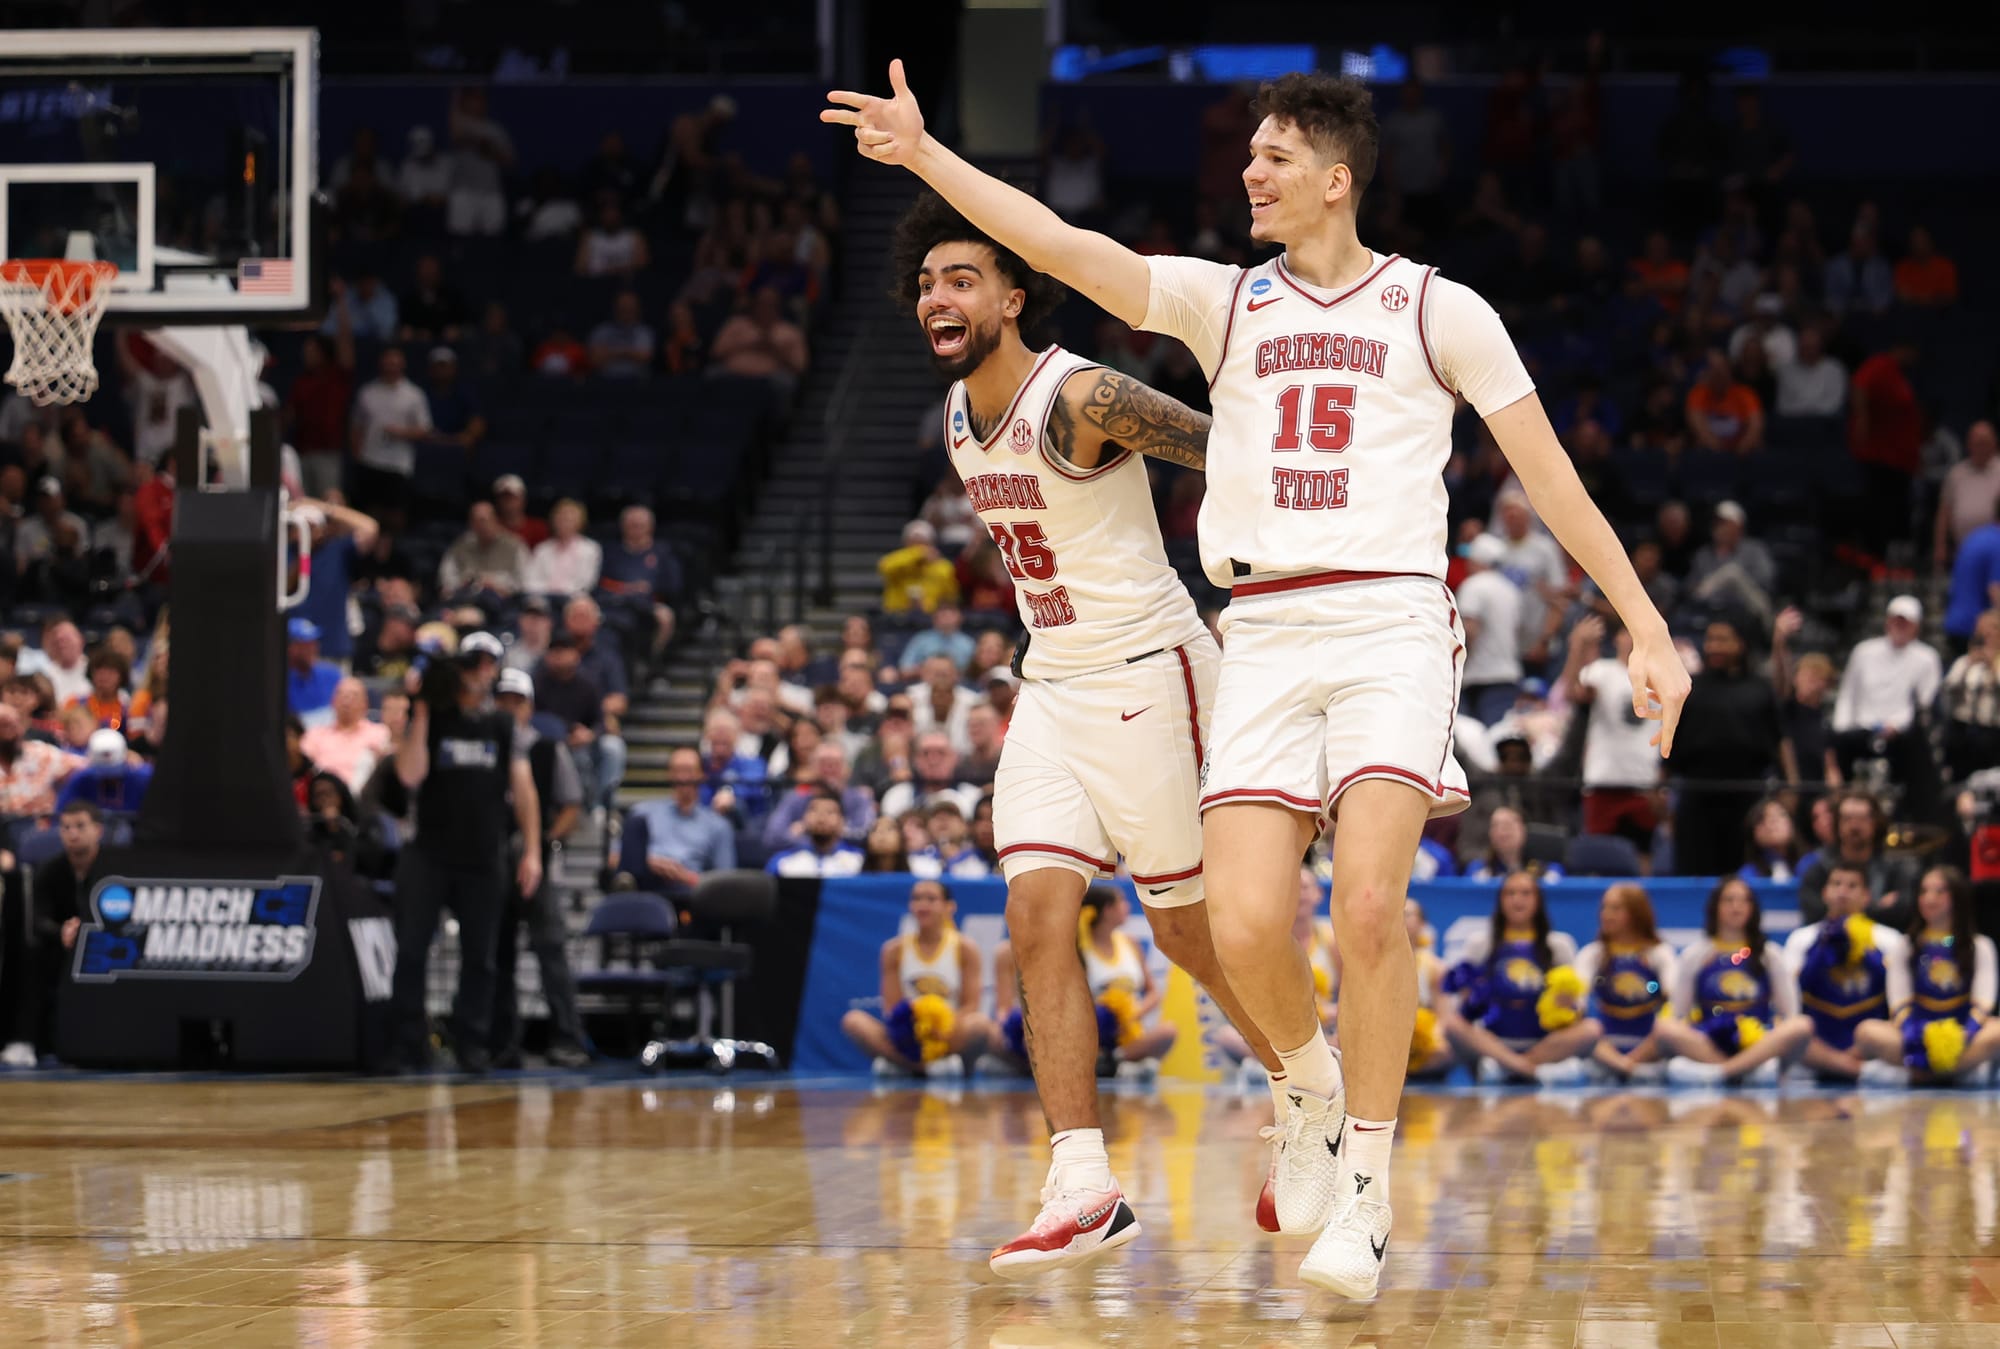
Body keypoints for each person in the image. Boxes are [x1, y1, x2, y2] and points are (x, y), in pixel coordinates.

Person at [831, 64, 1687, 1297]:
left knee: (1368, 903)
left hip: (1388, 617)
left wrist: (1642, 623)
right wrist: (922, 154)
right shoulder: (1224, 301)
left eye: (1273, 155)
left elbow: (1548, 475)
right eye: (1248, 154)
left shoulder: (1439, 308)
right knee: (1236, 924)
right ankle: (1309, 1092)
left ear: (1335, 178)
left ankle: (1367, 1191)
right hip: (1264, 626)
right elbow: (1063, 246)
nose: (1249, 171)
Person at [886, 191, 1284, 1276]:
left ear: (1013, 297)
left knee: (1187, 934)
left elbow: (1226, 448)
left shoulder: (1081, 395)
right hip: (1053, 681)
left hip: (1150, 672)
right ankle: (1083, 1181)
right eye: (926, 283)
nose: (937, 296)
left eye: (961, 278)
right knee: (1032, 914)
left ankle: (1311, 1091)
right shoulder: (955, 415)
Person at [389, 647, 542, 1074]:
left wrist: (532, 851)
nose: (480, 673)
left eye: (487, 665)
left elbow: (524, 789)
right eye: (472, 666)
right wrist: (421, 711)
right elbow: (409, 775)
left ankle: (471, 1042)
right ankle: (408, 1042)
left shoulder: (502, 724)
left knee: (480, 957)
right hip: (429, 852)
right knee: (411, 950)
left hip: (483, 855)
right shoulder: (435, 719)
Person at [489, 668, 590, 1069]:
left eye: (516, 702)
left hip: (537, 862)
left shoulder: (547, 749)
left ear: (529, 707)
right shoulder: (484, 747)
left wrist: (545, 839)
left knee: (551, 951)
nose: (509, 708)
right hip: (492, 862)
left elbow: (572, 805)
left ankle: (567, 1037)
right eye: (502, 701)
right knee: (497, 954)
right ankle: (502, 1042)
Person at [1436, 871, 1599, 1085]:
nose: (1517, 900)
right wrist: (1471, 997)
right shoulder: (1480, 944)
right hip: (1494, 1041)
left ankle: (1512, 1067)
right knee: (1452, 1025)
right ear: (1500, 901)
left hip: (1544, 1041)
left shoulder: (1559, 945)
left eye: (1525, 893)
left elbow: (1578, 1006)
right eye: (1510, 893)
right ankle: (1524, 1068)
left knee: (1591, 1029)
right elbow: (1464, 1006)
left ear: (1538, 900)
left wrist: (1568, 1006)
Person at [1656, 877, 1812, 1085]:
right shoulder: (1696, 955)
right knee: (1664, 1028)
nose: (1736, 907)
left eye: (1744, 900)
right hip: (1709, 1043)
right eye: (1729, 900)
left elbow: (1790, 1012)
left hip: (1757, 1043)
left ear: (1753, 908)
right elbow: (1678, 1013)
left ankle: (1724, 1072)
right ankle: (1743, 1071)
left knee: (1802, 1026)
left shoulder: (1769, 954)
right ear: (1715, 907)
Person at [1852, 866, 2000, 1084]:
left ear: (1958, 898)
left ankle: (1916, 1075)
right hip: (1916, 1033)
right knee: (1865, 1032)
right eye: (1924, 891)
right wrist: (1915, 1036)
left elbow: (1984, 1002)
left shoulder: (1979, 945)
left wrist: (1963, 1036)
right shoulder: (1907, 945)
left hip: (1964, 1034)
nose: (1930, 898)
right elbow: (1899, 1001)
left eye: (1940, 892)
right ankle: (1959, 1073)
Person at [839, 878, 996, 1077]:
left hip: (949, 1033)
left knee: (980, 1024)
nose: (923, 905)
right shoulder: (893, 950)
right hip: (908, 1035)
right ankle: (924, 1067)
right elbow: (891, 1008)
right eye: (917, 898)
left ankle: (901, 1065)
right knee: (853, 1021)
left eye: (931, 899)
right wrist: (911, 1030)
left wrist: (939, 1028)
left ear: (949, 907)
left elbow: (971, 1006)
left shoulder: (965, 948)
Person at [1671, 618, 1788, 877]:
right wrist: (1660, 783)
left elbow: (1779, 740)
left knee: (1745, 869)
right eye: (1711, 640)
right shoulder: (1690, 687)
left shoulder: (1760, 689)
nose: (1714, 646)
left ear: (1741, 644)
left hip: (1748, 793)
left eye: (1723, 640)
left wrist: (1790, 783)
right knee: (1694, 869)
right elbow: (1672, 738)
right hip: (1697, 794)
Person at [1782, 861, 1910, 1082]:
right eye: (1836, 884)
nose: (1842, 891)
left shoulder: (1890, 939)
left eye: (1852, 886)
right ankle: (1850, 1068)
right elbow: (1790, 1003)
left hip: (1869, 1045)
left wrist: (1870, 953)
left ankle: (1843, 1065)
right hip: (1817, 1044)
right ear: (1824, 892)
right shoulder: (1801, 939)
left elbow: (1901, 1001)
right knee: (1791, 1032)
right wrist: (1822, 947)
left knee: (1885, 1033)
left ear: (1866, 896)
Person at [1, 800, 107, 1065]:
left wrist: (88, 930)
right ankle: (25, 1040)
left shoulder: (114, 867)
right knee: (31, 957)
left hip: (105, 943)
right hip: (59, 944)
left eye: (80, 826)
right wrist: (62, 931)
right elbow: (38, 918)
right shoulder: (51, 869)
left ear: (98, 830)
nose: (72, 833)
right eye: (66, 827)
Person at [1564, 616, 1664, 873]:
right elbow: (1573, 693)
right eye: (1627, 632)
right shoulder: (1602, 671)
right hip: (1604, 781)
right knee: (1598, 858)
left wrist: (1661, 782)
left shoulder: (1662, 677)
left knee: (1645, 855)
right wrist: (1577, 647)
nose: (1632, 639)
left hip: (1644, 783)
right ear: (1617, 638)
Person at [1830, 596, 1943, 808]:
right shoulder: (1864, 651)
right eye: (1896, 620)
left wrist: (1897, 726)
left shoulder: (1927, 658)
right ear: (1887, 621)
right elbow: (1848, 693)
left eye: (1905, 622)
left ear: (1916, 626)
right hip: (1861, 728)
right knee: (1837, 746)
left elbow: (1924, 701)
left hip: (1901, 733)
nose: (1899, 626)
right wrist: (1842, 727)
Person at [1573, 884, 1676, 1082]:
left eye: (1616, 908)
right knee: (1580, 1027)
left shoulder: (1659, 953)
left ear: (1637, 913)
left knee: (1670, 1027)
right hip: (1604, 1049)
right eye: (1604, 907)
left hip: (1649, 1048)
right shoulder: (1593, 954)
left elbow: (1673, 998)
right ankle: (1626, 1067)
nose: (1607, 915)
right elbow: (1577, 1001)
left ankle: (1627, 1066)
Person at [1798, 789, 1918, 928]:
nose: (1854, 826)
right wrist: (1874, 908)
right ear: (1837, 823)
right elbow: (1813, 912)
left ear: (1875, 822)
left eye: (1862, 819)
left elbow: (1903, 912)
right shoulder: (1819, 867)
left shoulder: (1896, 868)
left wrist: (1841, 907)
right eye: (1847, 818)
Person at [1455, 532, 1522, 726]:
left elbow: (1470, 630)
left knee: (1473, 737)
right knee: (1499, 735)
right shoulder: (1511, 589)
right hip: (1508, 675)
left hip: (1479, 677)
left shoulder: (1473, 586)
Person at [765, 792, 866, 878]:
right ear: (804, 817)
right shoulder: (781, 862)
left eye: (830, 812)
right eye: (814, 810)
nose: (821, 818)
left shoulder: (859, 861)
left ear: (842, 821)